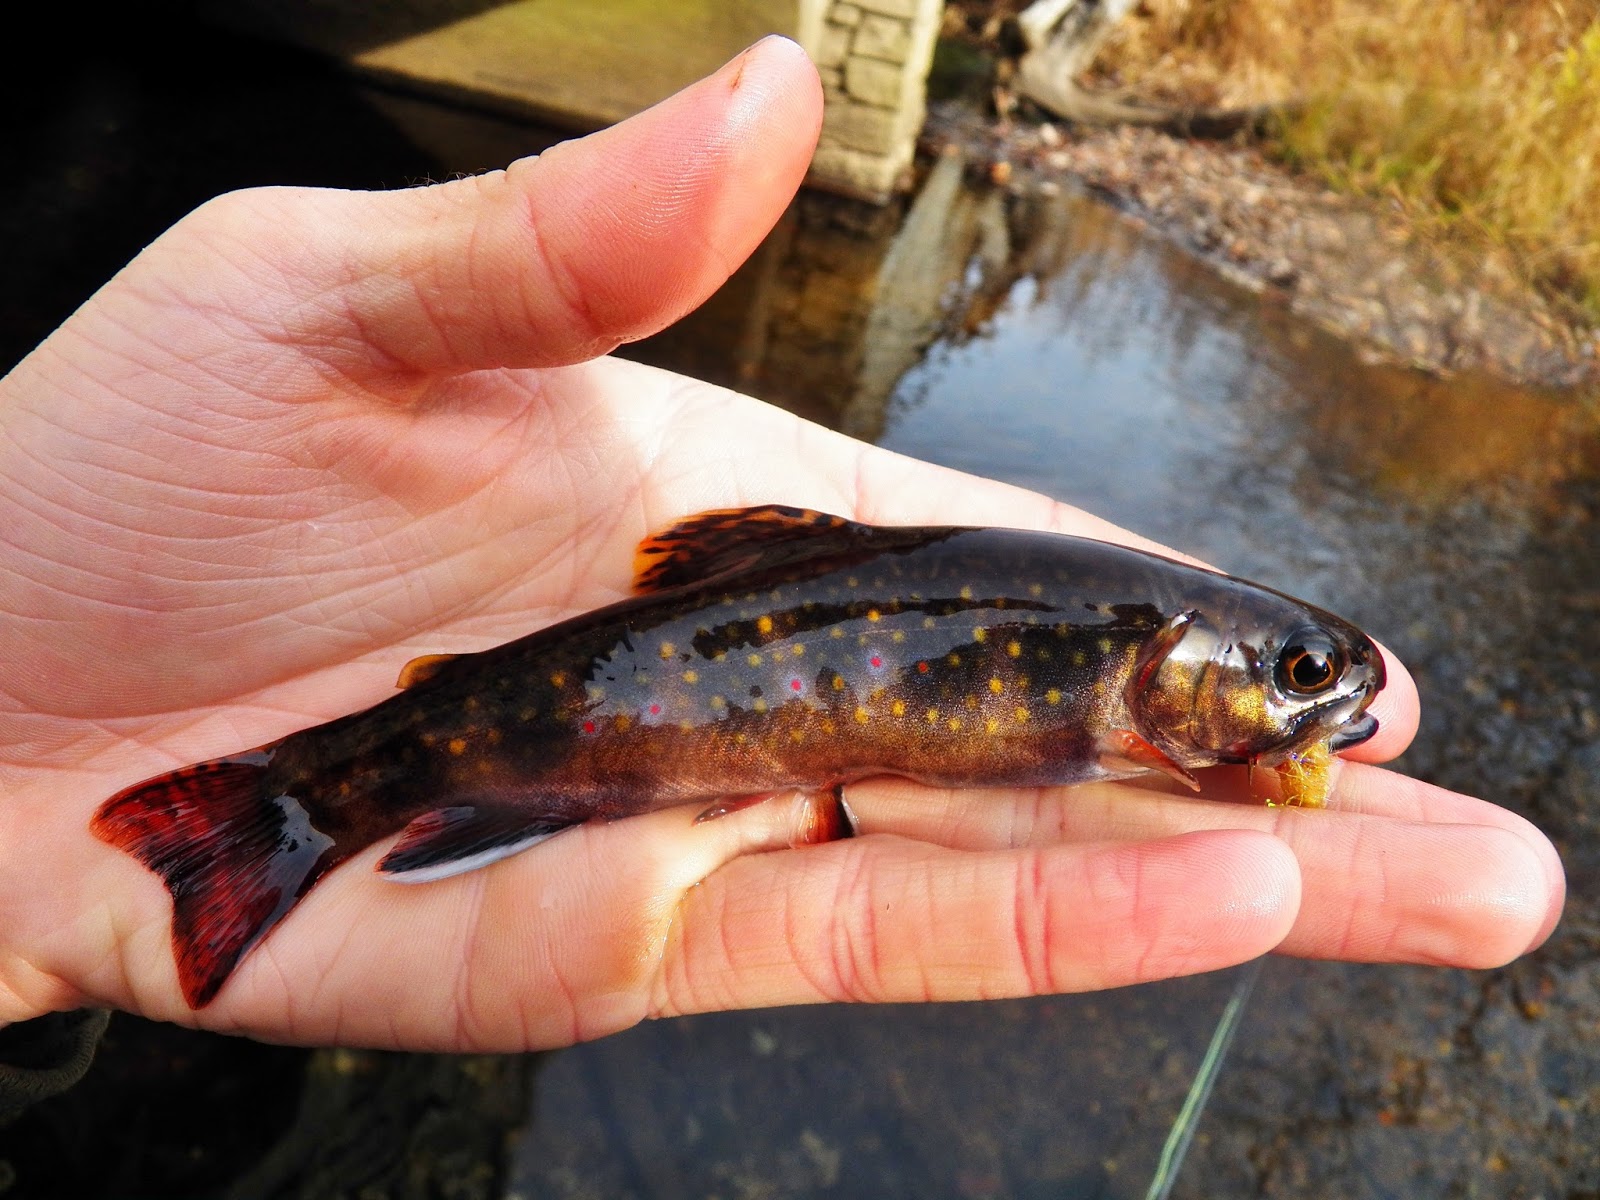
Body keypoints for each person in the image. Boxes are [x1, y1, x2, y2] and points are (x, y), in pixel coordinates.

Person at [0, 36, 1563, 1068]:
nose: (1311, 699)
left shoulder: (1103, 678)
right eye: (1295, 673)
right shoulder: (1098, 683)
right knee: (484, 760)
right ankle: (291, 805)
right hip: (603, 703)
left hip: (645, 688)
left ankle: (296, 810)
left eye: (1305, 679)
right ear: (1175, 665)